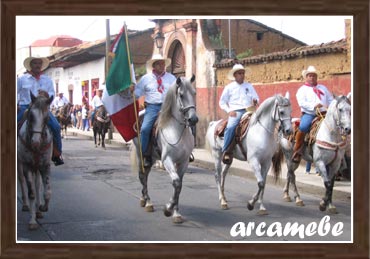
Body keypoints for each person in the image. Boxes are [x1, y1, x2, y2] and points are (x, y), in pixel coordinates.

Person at [130, 54, 176, 167]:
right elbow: (137, 94)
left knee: (186, 123)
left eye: (163, 63)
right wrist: (132, 91)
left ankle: (186, 151)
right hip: (152, 107)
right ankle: (145, 155)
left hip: (168, 106)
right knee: (145, 129)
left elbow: (177, 93)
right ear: (154, 66)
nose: (162, 65)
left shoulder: (171, 78)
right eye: (159, 63)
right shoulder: (146, 79)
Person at [17, 56, 64, 166]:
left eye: (39, 63)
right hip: (26, 107)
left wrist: (47, 95)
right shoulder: (22, 79)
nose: (37, 65)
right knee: (12, 126)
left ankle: (57, 154)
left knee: (56, 127)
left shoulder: (47, 80)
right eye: (35, 63)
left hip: (42, 108)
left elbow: (52, 94)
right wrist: (16, 104)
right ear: (31, 65)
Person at [292, 65, 334, 162]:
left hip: (324, 113)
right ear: (306, 77)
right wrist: (314, 105)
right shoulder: (302, 90)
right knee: (303, 126)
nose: (312, 77)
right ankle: (297, 149)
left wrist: (331, 106)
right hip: (309, 114)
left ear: (316, 77)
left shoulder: (323, 88)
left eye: (314, 76)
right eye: (310, 76)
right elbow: (301, 102)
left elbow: (330, 99)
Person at [219, 63, 259, 164]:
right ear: (235, 75)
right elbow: (222, 102)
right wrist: (229, 111)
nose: (242, 75)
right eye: (240, 73)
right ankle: (226, 150)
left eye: (243, 73)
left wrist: (255, 101)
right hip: (236, 112)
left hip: (249, 110)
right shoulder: (229, 87)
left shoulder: (249, 86)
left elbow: (256, 97)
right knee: (231, 127)